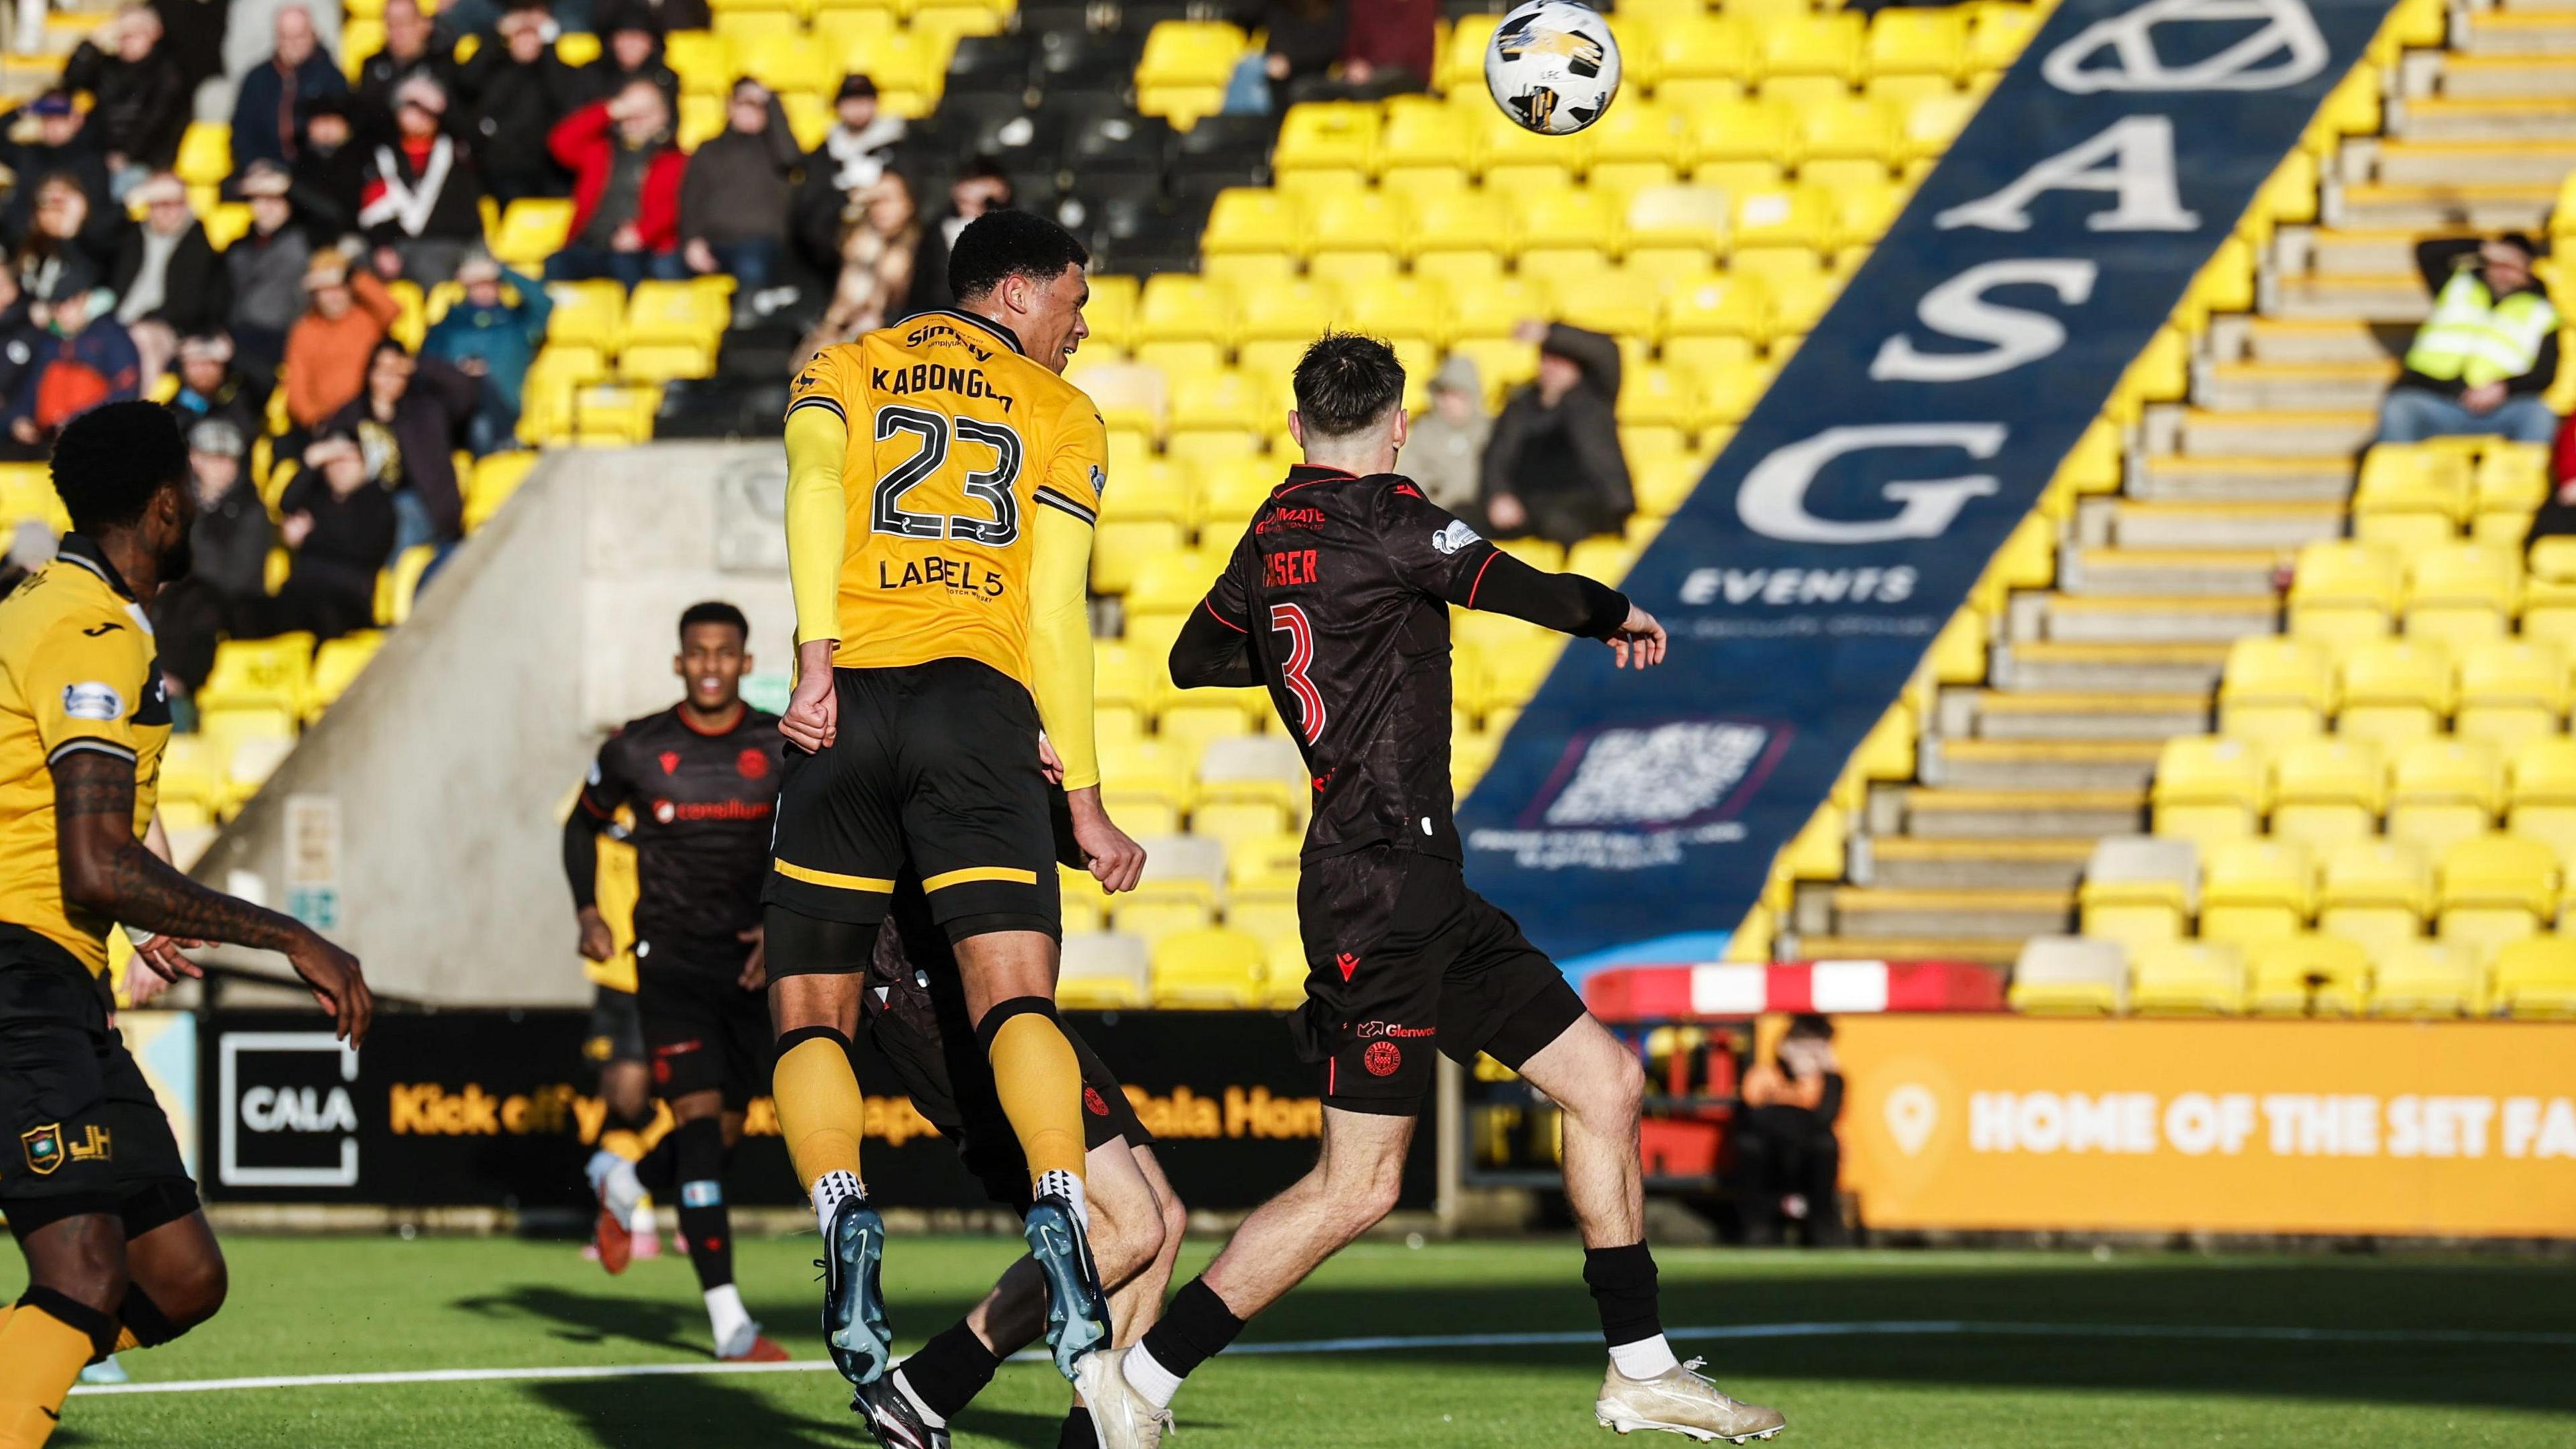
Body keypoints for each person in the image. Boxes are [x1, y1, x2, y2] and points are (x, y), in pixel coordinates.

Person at [1077, 333, 1780, 1449]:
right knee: (1358, 1188)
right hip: (1378, 887)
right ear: (1398, 426)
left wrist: (1326, 641)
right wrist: (1614, 614)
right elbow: (1518, 587)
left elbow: (1193, 662)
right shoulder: (1396, 516)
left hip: (1417, 884)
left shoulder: (1273, 531)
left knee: (1604, 1084)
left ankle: (1640, 1370)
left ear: (1299, 424)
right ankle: (1143, 1376)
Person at [769, 209, 1147, 1395]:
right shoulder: (1060, 415)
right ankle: (1056, 1203)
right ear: (1017, 292)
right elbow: (1056, 618)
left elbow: (818, 493)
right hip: (975, 711)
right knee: (1011, 998)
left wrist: (817, 659)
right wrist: (1084, 803)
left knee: (811, 1018)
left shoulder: (844, 365)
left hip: (849, 705)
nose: (1083, 327)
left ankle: (839, 1211)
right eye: (1074, 302)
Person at [0, 400, 370, 1449]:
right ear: (165, 507)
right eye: (194, 492)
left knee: (180, 1275)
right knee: (80, 1275)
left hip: (60, 978)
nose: (204, 507)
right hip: (18, 972)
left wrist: (147, 876)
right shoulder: (90, 627)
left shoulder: (57, 605)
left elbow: (75, 799)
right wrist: (292, 935)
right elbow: (90, 860)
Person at [849, 853, 1187, 1449]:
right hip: (937, 998)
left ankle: (1091, 1437)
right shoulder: (894, 763)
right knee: (1131, 1226)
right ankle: (925, 1388)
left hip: (1015, 994)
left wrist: (1071, 814)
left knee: (1162, 1220)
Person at [566, 602, 791, 1364]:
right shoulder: (639, 747)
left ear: (742, 660)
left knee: (723, 1134)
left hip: (752, 968)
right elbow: (580, 825)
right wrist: (590, 911)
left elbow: (816, 838)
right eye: (697, 653)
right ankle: (729, 1322)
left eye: (724, 653)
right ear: (678, 661)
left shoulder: (778, 745)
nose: (709, 666)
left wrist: (781, 924)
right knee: (698, 1128)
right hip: (671, 966)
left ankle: (622, 1176)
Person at [2377, 233, 2561, 445]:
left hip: (2498, 411)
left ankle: (2523, 478)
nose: (2502, 272)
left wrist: (2505, 388)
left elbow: (2545, 373)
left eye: (2510, 266)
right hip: (2434, 400)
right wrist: (2483, 246)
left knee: (2537, 413)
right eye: (2497, 264)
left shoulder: (2542, 312)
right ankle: (2397, 478)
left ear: (2528, 270)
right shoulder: (2457, 284)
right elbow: (2426, 251)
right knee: (2400, 408)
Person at [148, 419, 272, 697]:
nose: (223, 467)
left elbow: (239, 574)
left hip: (235, 600)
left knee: (198, 604)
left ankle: (178, 684)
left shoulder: (251, 510)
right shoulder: (177, 503)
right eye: (214, 458)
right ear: (195, 460)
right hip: (188, 593)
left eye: (229, 460)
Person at [1483, 319, 1632, 548]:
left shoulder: (1594, 397)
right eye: (1546, 359)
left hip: (1591, 505)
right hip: (1530, 505)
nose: (1551, 368)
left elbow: (1607, 350)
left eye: (1560, 361)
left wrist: (1550, 333)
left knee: (1558, 522)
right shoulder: (1521, 406)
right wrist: (1499, 495)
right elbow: (1497, 456)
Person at [329, 339, 476, 553]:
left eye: (397, 372)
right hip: (366, 507)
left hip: (422, 504)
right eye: (382, 370)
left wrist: (418, 364)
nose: (389, 380)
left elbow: (465, 392)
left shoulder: (425, 409)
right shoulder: (352, 415)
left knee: (400, 521)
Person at [678, 78, 799, 322]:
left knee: (751, 264)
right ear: (730, 107)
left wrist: (771, 102)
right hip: (714, 243)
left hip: (761, 243)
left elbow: (792, 158)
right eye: (744, 103)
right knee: (664, 268)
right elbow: (691, 198)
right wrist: (692, 241)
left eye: (758, 105)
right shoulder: (709, 150)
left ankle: (744, 335)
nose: (750, 111)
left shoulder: (775, 150)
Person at [546, 80, 688, 288]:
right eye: (632, 110)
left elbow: (679, 205)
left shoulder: (676, 160)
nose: (637, 118)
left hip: (639, 250)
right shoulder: (601, 151)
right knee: (556, 264)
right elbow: (561, 142)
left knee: (626, 269)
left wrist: (641, 233)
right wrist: (610, 110)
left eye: (646, 110)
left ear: (663, 116)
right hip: (589, 244)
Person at [269, 429, 396, 639]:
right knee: (252, 611)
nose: (339, 468)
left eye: (347, 460)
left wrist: (310, 537)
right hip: (301, 592)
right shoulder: (319, 497)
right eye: (331, 461)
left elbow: (361, 547)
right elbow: (286, 504)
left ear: (366, 464)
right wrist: (310, 461)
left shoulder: (378, 502)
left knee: (314, 615)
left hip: (346, 602)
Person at [358, 76, 486, 285]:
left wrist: (442, 104)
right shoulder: (384, 156)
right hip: (399, 244)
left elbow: (477, 136)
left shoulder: (456, 151)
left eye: (427, 110)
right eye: (412, 107)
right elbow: (375, 209)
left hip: (448, 242)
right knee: (359, 265)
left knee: (428, 265)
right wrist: (382, 247)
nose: (420, 115)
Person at [1733, 1014, 1846, 1248]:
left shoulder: (1828, 1079)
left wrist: (1829, 1075)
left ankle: (1821, 1229)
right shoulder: (1764, 1074)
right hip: (1771, 1149)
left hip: (1807, 1151)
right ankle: (1759, 1228)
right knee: (1750, 1146)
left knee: (1825, 1147)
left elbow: (1826, 1116)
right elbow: (1751, 1115)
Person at [422, 249, 549, 454]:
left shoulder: (518, 323)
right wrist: (459, 370)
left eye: (489, 283)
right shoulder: (448, 326)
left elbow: (543, 302)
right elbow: (426, 365)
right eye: (477, 285)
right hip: (455, 409)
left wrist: (500, 270)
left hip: (503, 409)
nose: (483, 291)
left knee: (481, 423)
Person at [455, 0, 579, 205]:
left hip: (547, 169)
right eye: (521, 31)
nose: (526, 38)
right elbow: (466, 82)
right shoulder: (496, 64)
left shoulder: (553, 66)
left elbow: (565, 99)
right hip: (499, 167)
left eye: (533, 32)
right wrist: (496, 36)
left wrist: (547, 45)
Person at [111, 172, 227, 382]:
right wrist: (130, 201)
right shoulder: (132, 236)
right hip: (119, 321)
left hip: (167, 329)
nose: (167, 211)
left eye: (175, 203)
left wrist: (145, 319)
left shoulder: (198, 243)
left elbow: (189, 305)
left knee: (141, 338)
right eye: (159, 203)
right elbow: (92, 235)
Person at [1, 290, 141, 462]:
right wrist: (18, 418)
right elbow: (30, 387)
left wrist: (78, 421)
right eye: (56, 308)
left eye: (66, 305)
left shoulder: (111, 336)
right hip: (46, 439)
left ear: (83, 300)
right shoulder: (49, 342)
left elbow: (126, 391)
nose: (61, 314)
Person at [791, 73, 905, 282]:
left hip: (888, 238)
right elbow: (811, 205)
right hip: (836, 245)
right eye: (851, 102)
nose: (858, 109)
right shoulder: (824, 153)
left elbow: (907, 197)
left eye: (864, 101)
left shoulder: (898, 146)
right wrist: (849, 197)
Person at [61, 4, 191, 186]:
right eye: (122, 33)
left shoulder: (168, 72)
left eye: (135, 32)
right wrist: (91, 44)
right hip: (100, 157)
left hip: (145, 163)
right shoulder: (108, 67)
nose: (126, 39)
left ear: (155, 33)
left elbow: (155, 122)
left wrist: (126, 155)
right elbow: (71, 83)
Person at [800, 172, 916, 360]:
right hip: (838, 336)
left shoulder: (921, 247)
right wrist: (852, 196)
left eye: (888, 200)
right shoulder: (855, 243)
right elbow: (813, 231)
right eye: (874, 201)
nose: (881, 209)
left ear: (909, 204)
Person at [282, 252, 398, 431]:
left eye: (339, 288)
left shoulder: (368, 319)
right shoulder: (304, 330)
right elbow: (297, 387)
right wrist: (315, 420)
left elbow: (392, 309)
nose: (334, 297)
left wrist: (352, 275)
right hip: (328, 423)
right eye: (326, 290)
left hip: (370, 419)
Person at [230, 4, 348, 173]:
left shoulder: (332, 79)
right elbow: (242, 134)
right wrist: (255, 165)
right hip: (264, 171)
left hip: (312, 174)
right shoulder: (257, 79)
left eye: (299, 37)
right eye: (286, 37)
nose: (293, 44)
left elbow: (336, 136)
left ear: (313, 35)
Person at [223, 162, 314, 366]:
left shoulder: (303, 237)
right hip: (237, 332)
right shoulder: (238, 246)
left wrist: (287, 187)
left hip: (281, 335)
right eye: (259, 200)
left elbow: (333, 215)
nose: (266, 208)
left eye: (274, 199)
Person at [901, 157, 1010, 319]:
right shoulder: (937, 229)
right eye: (966, 182)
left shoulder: (1009, 230)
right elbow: (921, 286)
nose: (970, 190)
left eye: (979, 182)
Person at [0, 95, 115, 243]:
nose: (53, 126)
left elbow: (99, 216)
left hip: (76, 246)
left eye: (60, 119)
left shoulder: (91, 160)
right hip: (24, 242)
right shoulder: (29, 154)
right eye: (48, 119)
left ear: (75, 121)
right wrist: (24, 110)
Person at [13, 175, 111, 311]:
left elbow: (87, 281)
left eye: (62, 201)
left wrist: (70, 229)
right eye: (46, 201)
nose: (54, 209)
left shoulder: (93, 241)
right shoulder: (26, 243)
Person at [1408, 354, 1489, 517]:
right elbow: (1409, 481)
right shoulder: (1424, 432)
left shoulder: (1492, 431)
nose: (1448, 402)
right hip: (1435, 520)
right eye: (1443, 394)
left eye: (1456, 395)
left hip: (1483, 521)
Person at [352, 0, 450, 129]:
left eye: (404, 23)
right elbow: (365, 119)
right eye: (391, 24)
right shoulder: (373, 66)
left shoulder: (442, 64)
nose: (397, 32)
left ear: (424, 24)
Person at [288, 94, 369, 246]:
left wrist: (291, 187)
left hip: (350, 238)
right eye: (319, 122)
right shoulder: (301, 161)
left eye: (333, 122)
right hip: (306, 240)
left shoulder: (361, 159)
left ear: (346, 126)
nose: (326, 129)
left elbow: (342, 213)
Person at [168, 332, 272, 442]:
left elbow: (269, 381)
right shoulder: (172, 398)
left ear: (223, 366)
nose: (203, 372)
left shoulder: (241, 397)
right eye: (195, 365)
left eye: (211, 364)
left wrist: (234, 355)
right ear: (183, 368)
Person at [577, 13, 679, 111]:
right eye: (623, 37)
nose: (630, 45)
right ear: (611, 42)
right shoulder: (591, 75)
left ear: (653, 44)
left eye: (638, 38)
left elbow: (671, 122)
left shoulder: (665, 78)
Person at [1338, 0, 1434, 95]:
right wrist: (1355, 65)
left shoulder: (1422, 5)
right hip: (1367, 77)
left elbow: (1415, 54)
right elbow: (1352, 48)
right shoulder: (1362, 4)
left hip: (1408, 77)